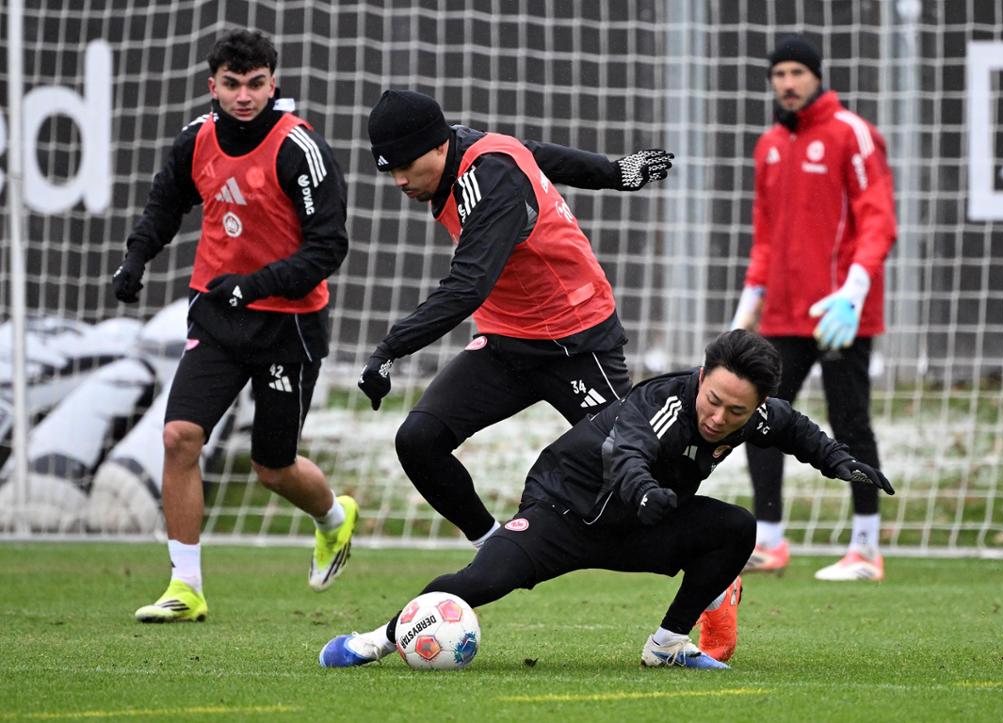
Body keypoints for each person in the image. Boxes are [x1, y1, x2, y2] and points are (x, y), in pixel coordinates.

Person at [318, 330, 893, 669]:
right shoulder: (663, 403)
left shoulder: (755, 412)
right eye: (713, 400)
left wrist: (839, 462)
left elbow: (793, 428)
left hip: (640, 523)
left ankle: (667, 646)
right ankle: (376, 641)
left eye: (736, 412)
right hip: (561, 514)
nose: (719, 418)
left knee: (736, 528)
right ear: (701, 376)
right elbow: (627, 453)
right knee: (479, 582)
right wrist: (644, 492)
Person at [357, 89, 675, 549]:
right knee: (418, 441)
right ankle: (493, 545)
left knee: (636, 473)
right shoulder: (470, 149)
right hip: (508, 344)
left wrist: (391, 348)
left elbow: (468, 286)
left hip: (576, 342)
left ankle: (713, 573)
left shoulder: (491, 181)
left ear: (439, 145)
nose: (400, 181)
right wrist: (614, 173)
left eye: (407, 165)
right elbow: (537, 154)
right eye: (390, 169)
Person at [112, 29, 359, 622]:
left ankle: (333, 518)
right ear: (212, 86)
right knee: (179, 437)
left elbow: (329, 246)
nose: (244, 96)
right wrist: (136, 258)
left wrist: (254, 284)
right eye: (231, 85)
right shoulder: (195, 141)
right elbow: (164, 207)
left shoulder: (299, 147)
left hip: (288, 326)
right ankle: (185, 586)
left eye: (255, 84)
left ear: (273, 83)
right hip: (218, 316)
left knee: (273, 468)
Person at [730, 36, 897, 581]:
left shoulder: (853, 133)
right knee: (758, 419)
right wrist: (747, 306)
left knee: (851, 424)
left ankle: (866, 548)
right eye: (779, 73)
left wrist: (852, 292)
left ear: (817, 76)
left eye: (797, 71)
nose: (787, 82)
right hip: (782, 315)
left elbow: (879, 220)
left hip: (839, 313)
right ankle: (770, 541)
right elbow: (765, 237)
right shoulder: (768, 146)